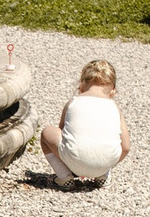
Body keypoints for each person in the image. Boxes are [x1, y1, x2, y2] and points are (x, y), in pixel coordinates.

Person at [33, 60, 130, 191]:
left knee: (47, 132)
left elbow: (62, 132)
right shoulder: (115, 108)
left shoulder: (73, 102)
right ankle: (103, 175)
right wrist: (106, 164)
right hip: (106, 162)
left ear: (81, 86)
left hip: (74, 158)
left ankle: (64, 176)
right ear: (113, 90)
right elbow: (126, 147)